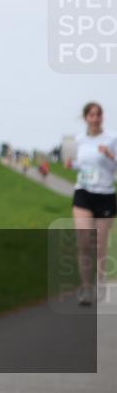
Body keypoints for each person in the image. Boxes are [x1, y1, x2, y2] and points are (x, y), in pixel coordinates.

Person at [71, 102, 116, 306]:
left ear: (102, 118)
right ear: (86, 118)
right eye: (92, 114)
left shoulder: (112, 138)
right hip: (83, 192)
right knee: (83, 241)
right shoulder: (79, 140)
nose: (95, 118)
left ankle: (100, 281)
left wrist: (109, 155)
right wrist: (71, 164)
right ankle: (86, 288)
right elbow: (80, 164)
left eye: (99, 114)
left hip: (105, 195)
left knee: (100, 245)